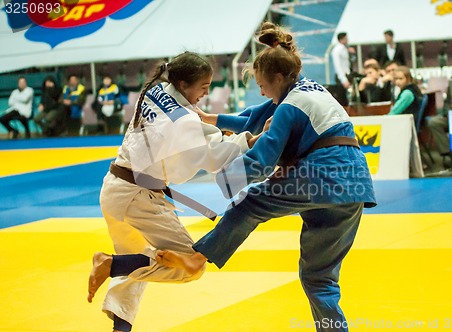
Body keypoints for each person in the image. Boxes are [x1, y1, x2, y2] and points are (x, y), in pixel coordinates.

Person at [156, 23, 376, 332]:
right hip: (355, 185)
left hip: (322, 176)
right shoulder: (308, 88)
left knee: (249, 203)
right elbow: (254, 115)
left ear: (276, 78)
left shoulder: (289, 107)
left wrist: (221, 180)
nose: (260, 90)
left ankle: (199, 257)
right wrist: (210, 119)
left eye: (261, 84)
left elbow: (261, 162)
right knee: (318, 278)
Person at [87, 52, 260, 332]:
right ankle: (108, 264)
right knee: (190, 265)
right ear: (183, 83)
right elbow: (210, 158)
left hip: (114, 187)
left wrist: (242, 138)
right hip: (138, 197)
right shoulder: (183, 121)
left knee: (137, 265)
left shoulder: (156, 90)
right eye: (203, 86)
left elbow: (195, 130)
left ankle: (120, 324)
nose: (206, 92)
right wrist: (248, 144)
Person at [331, 32, 355, 106]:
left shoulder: (345, 48)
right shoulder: (337, 50)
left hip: (348, 74)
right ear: (342, 39)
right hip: (342, 76)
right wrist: (344, 80)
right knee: (342, 98)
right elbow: (338, 66)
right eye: (346, 38)